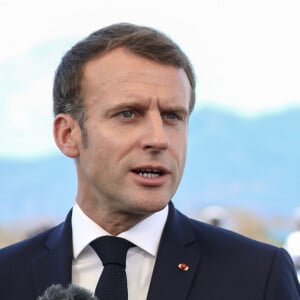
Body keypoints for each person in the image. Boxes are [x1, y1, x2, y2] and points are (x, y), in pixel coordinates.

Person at [0, 23, 299, 300]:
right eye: (129, 114)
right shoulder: (8, 276)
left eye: (172, 116)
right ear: (68, 135)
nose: (159, 139)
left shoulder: (258, 276)